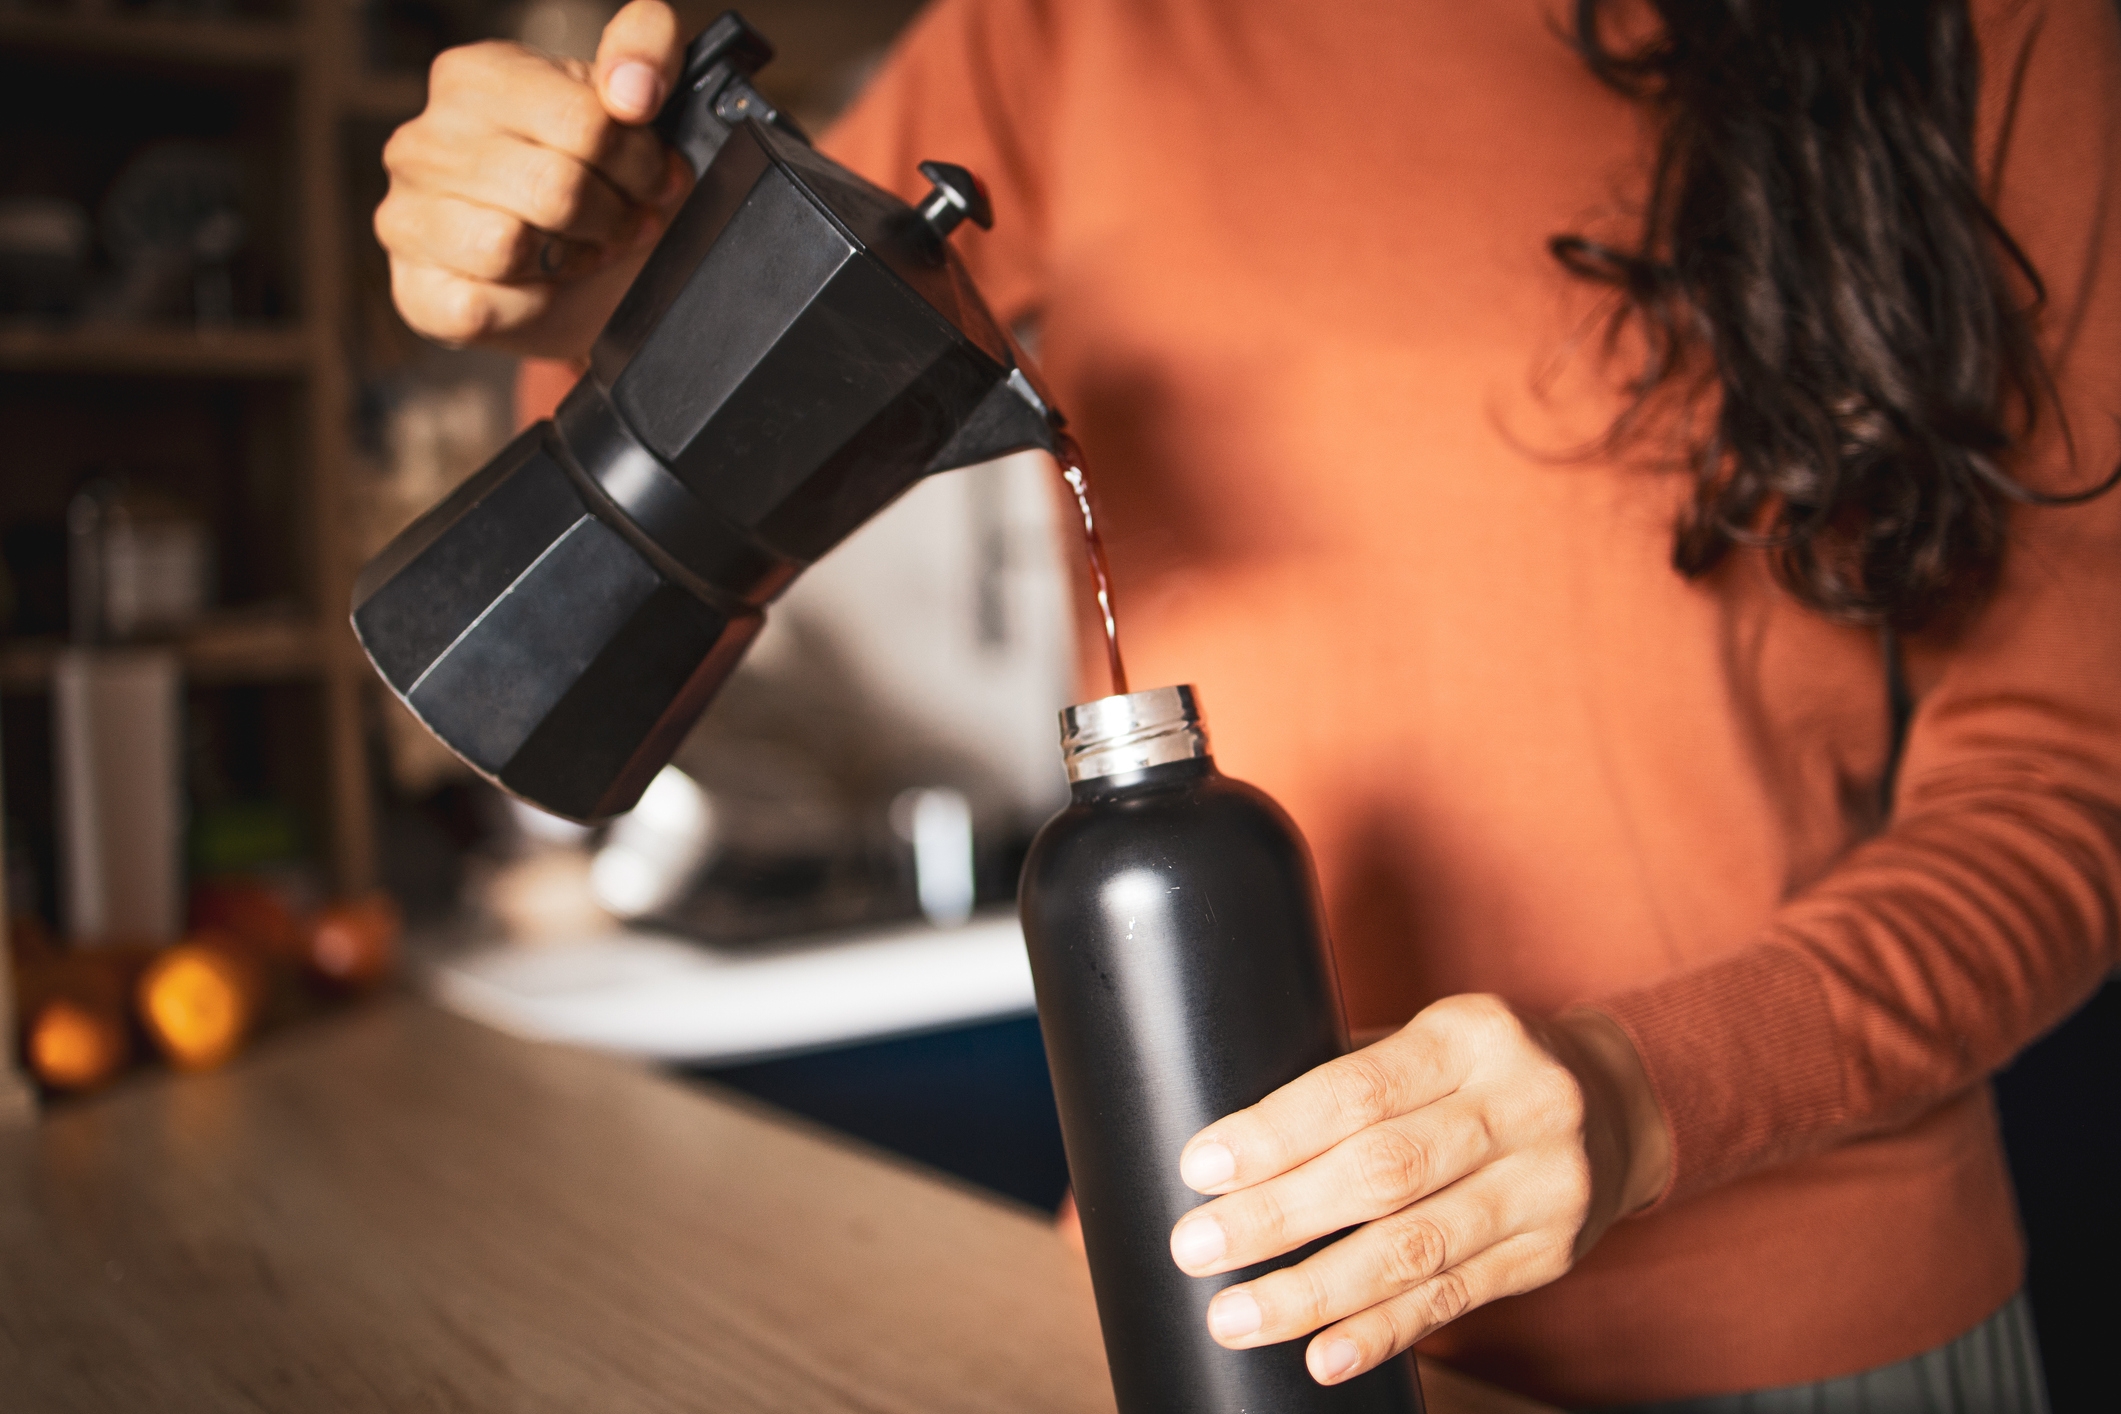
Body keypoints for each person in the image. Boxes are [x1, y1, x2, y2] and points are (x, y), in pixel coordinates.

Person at [372, 1, 2121, 1406]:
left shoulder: (1988, 32)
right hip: (1197, 1323)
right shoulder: (1072, 33)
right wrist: (586, 265)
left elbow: (2067, 777)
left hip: (1811, 1328)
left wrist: (1642, 1091)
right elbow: (720, 402)